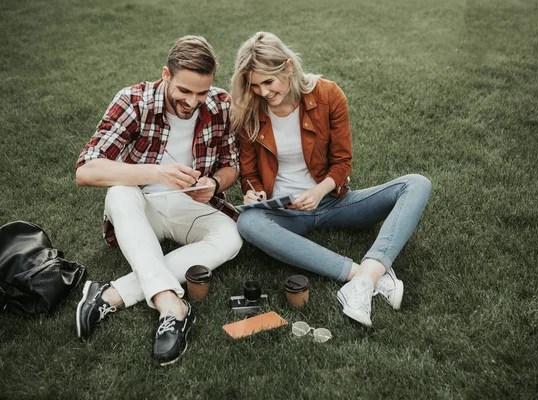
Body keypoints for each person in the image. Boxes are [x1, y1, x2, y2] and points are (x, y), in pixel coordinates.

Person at [231, 32, 431, 327]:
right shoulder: (250, 111)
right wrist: (254, 193)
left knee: (417, 184)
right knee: (247, 222)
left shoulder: (327, 95)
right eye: (255, 85)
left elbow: (341, 163)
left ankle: (369, 272)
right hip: (285, 213)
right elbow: (249, 174)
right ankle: (361, 277)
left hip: (333, 201)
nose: (263, 92)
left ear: (287, 67)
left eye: (268, 82)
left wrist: (319, 190)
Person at [75, 35, 242, 365]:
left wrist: (213, 182)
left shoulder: (221, 104)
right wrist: (155, 173)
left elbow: (232, 165)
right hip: (141, 205)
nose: (192, 101)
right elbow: (86, 170)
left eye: (201, 92)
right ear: (166, 75)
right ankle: (171, 305)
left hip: (189, 205)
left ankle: (112, 293)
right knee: (119, 192)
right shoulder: (133, 100)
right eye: (184, 91)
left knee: (233, 237)